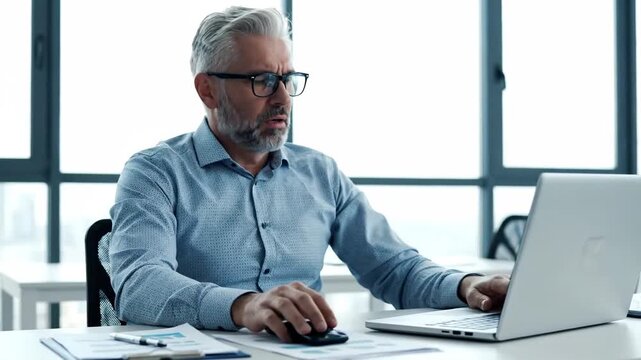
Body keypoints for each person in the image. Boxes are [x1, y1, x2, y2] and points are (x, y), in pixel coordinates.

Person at [108, 6, 509, 342]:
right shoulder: (155, 172)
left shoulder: (320, 173)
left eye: (287, 79)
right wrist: (244, 305)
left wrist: (465, 286)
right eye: (262, 81)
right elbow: (139, 284)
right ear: (208, 90)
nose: (283, 97)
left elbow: (393, 269)